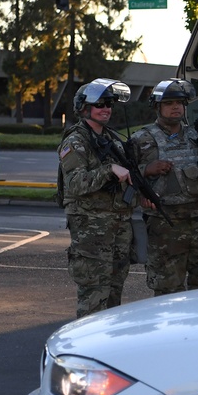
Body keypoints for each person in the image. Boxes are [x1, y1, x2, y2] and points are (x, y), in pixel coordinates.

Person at [128, 79, 198, 295]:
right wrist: (146, 169)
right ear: (157, 106)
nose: (176, 107)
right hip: (164, 226)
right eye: (169, 103)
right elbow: (124, 176)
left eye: (179, 102)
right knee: (167, 290)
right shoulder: (141, 139)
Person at [58, 78, 138, 317]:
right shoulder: (75, 141)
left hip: (116, 229)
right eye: (100, 104)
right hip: (91, 233)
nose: (106, 109)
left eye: (109, 104)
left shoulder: (111, 140)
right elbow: (75, 184)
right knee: (93, 298)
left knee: (114, 296)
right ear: (84, 108)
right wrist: (108, 170)